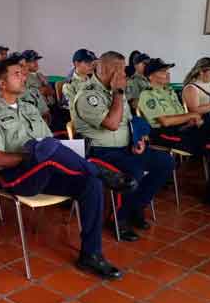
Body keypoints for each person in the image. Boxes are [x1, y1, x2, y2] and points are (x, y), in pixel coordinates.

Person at [0, 57, 131, 280]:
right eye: (17, 74)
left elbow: (50, 146)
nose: (24, 77)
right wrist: (33, 155)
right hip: (17, 178)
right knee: (46, 148)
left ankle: (91, 254)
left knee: (91, 183)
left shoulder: (29, 109)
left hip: (46, 169)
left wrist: (43, 152)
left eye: (23, 73)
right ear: (1, 82)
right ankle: (98, 169)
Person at [72, 51, 174, 241]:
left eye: (123, 69)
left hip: (125, 148)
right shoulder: (87, 95)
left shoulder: (117, 90)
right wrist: (118, 92)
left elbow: (129, 120)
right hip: (99, 152)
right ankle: (118, 218)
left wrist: (138, 140)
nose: (124, 74)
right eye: (118, 69)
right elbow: (111, 124)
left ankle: (135, 207)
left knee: (165, 161)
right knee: (132, 171)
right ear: (103, 69)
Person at [139, 58, 210, 211]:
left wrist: (190, 119)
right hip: (164, 134)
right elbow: (164, 122)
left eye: (167, 71)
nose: (168, 74)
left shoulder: (168, 91)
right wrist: (191, 117)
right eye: (162, 72)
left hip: (184, 128)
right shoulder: (147, 95)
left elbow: (182, 114)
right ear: (150, 76)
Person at [21, 50, 51, 119]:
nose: (36, 63)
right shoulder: (23, 78)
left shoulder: (39, 75)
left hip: (48, 108)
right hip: (37, 112)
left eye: (36, 61)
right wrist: (41, 90)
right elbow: (28, 95)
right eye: (32, 61)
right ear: (25, 63)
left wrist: (45, 85)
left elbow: (50, 92)